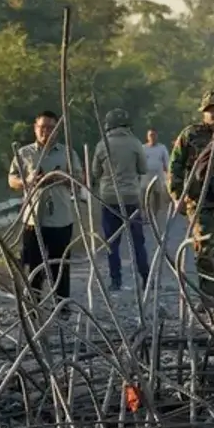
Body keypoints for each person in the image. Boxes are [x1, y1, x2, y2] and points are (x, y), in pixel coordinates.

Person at [9, 110, 83, 308]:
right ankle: (33, 306)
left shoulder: (67, 153)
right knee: (33, 266)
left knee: (60, 266)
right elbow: (12, 180)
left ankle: (62, 306)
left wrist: (62, 177)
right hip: (33, 219)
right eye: (42, 127)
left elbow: (80, 180)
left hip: (61, 218)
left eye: (51, 128)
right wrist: (29, 181)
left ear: (57, 130)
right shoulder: (24, 153)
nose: (46, 131)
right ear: (35, 128)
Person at [169, 90, 214, 302]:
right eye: (210, 110)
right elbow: (175, 166)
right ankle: (208, 296)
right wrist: (177, 196)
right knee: (205, 247)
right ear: (203, 112)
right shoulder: (190, 134)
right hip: (198, 200)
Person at [90, 108, 149, 291]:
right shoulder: (135, 143)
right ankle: (145, 278)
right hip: (131, 198)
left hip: (109, 199)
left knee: (111, 243)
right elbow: (143, 169)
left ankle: (116, 281)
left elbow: (95, 172)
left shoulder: (102, 145)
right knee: (138, 242)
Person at [142, 128, 171, 232]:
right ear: (147, 137)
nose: (152, 137)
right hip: (146, 175)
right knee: (144, 194)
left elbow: (166, 162)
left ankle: (155, 214)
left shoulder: (162, 148)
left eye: (154, 135)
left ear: (157, 136)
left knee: (157, 194)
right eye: (150, 135)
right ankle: (146, 214)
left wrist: (168, 174)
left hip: (158, 174)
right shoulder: (143, 148)